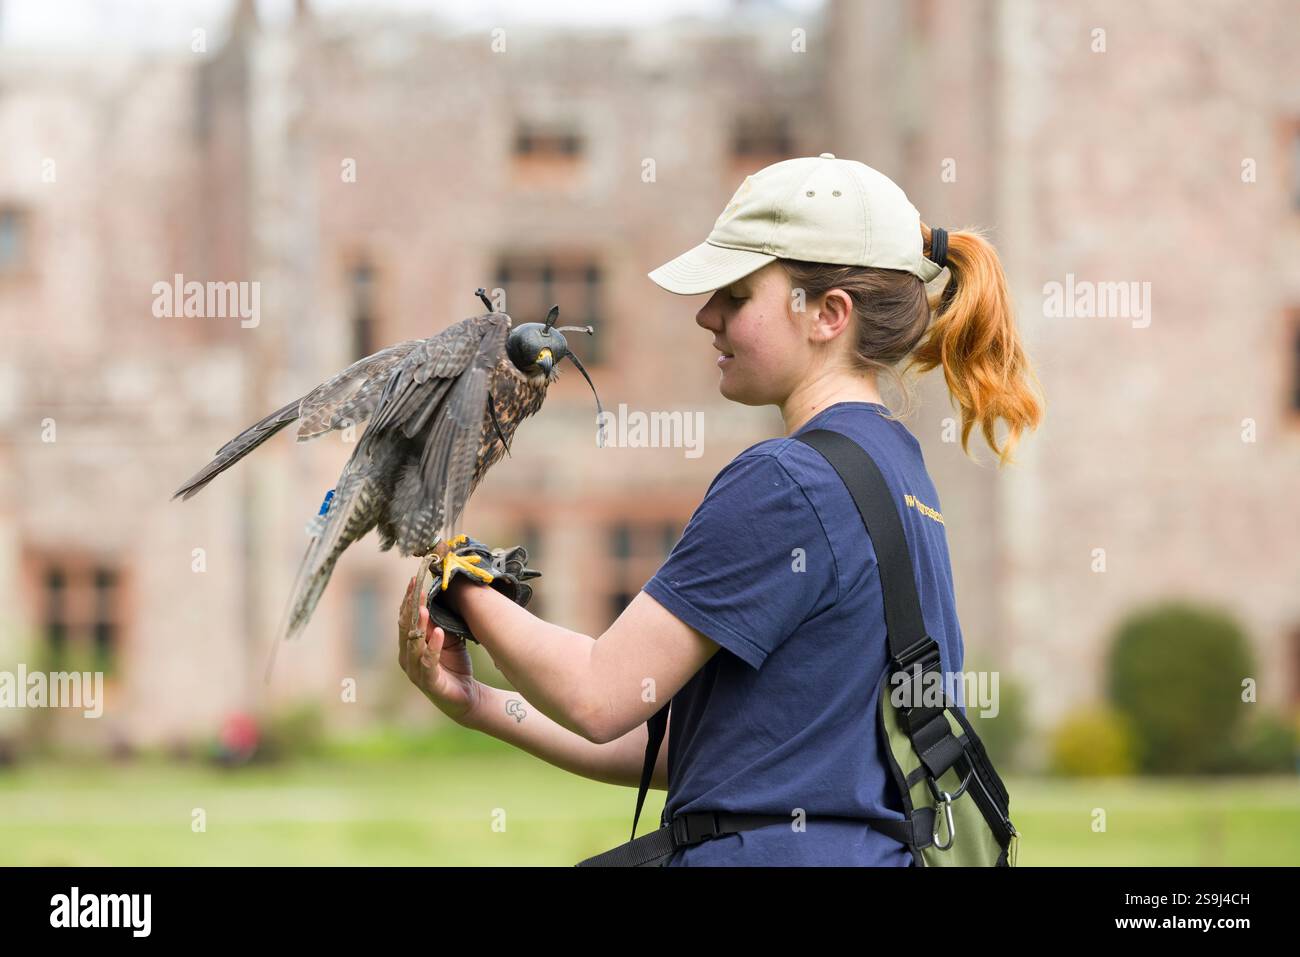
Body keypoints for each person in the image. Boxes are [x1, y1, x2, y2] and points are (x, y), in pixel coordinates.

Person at [396, 154, 1043, 865]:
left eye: (736, 295)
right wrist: (480, 703)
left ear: (829, 315)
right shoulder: (897, 472)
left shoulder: (788, 480)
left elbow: (599, 692)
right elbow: (696, 745)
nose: (708, 315)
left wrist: (453, 568)